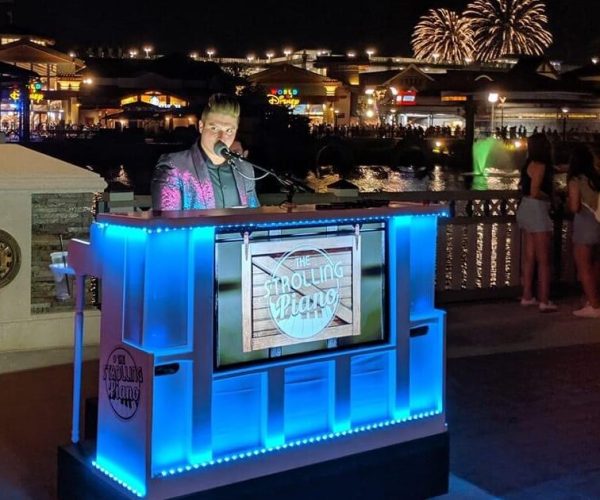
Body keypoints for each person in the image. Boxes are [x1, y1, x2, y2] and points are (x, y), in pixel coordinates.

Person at [151, 93, 260, 210]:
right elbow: (168, 223)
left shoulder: (245, 169)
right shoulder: (173, 167)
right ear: (201, 126)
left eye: (229, 130)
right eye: (214, 128)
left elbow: (254, 216)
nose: (221, 137)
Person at [516, 133, 557, 312]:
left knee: (529, 257)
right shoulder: (541, 165)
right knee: (544, 260)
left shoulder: (529, 164)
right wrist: (551, 197)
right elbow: (535, 192)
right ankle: (544, 300)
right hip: (537, 209)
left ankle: (527, 296)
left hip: (524, 208)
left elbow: (528, 190)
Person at [567, 144, 600, 318]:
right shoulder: (596, 178)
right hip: (598, 223)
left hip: (584, 225)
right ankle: (594, 299)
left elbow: (574, 206)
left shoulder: (576, 180)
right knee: (595, 264)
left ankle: (594, 307)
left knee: (583, 266)